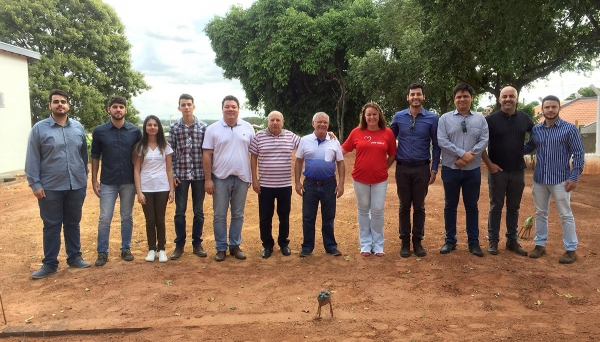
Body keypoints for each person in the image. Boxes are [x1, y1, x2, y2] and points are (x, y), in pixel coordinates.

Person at [25, 89, 90, 279]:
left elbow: (83, 154)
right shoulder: (39, 129)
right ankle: (50, 264)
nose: (60, 104)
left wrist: (84, 176)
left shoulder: (78, 128)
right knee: (52, 225)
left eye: (63, 101)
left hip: (76, 185)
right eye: (56, 102)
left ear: (68, 105)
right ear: (50, 106)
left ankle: (74, 257)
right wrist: (35, 184)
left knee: (73, 223)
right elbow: (32, 158)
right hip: (50, 187)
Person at [524, 95, 585, 264]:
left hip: (561, 180)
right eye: (547, 107)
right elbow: (529, 147)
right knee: (540, 213)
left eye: (553, 107)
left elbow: (578, 153)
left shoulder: (569, 129)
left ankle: (571, 250)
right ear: (542, 109)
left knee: (565, 214)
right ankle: (540, 245)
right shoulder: (537, 130)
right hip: (540, 180)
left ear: (559, 108)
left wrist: (574, 177)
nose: (550, 110)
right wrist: (508, 148)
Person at [437, 83, 489, 257]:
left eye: (466, 96)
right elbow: (442, 141)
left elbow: (484, 140)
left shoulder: (480, 119)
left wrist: (469, 156)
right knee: (450, 205)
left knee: (471, 206)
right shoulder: (444, 119)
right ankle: (450, 241)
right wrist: (461, 154)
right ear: (454, 99)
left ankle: (473, 243)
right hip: (450, 169)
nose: (462, 99)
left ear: (471, 98)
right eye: (458, 97)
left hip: (472, 170)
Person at [390, 83, 441, 258]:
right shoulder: (398, 117)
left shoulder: (432, 118)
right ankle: (404, 242)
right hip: (402, 168)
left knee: (419, 206)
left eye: (418, 94)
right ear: (408, 97)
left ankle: (417, 241)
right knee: (404, 206)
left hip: (422, 168)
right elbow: (388, 138)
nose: (415, 97)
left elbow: (437, 144)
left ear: (423, 97)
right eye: (412, 94)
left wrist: (434, 168)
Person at [202, 95, 255, 262]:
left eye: (233, 106)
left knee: (238, 214)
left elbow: (254, 153)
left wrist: (252, 177)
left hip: (241, 178)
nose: (230, 109)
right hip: (220, 178)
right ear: (222, 109)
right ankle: (220, 248)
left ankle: (234, 246)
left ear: (238, 109)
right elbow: (207, 154)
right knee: (219, 214)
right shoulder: (213, 129)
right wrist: (208, 179)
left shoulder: (248, 128)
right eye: (227, 106)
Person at [482, 86, 533, 256]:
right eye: (505, 96)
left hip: (518, 170)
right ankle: (493, 241)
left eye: (512, 96)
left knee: (514, 207)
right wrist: (489, 164)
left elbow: (537, 137)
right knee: (496, 206)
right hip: (497, 171)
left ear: (517, 99)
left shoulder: (525, 119)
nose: (508, 99)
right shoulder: (490, 120)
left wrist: (522, 150)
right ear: (499, 99)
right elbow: (480, 145)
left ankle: (512, 241)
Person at [91, 96, 142, 266]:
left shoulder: (135, 132)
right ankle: (102, 252)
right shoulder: (99, 131)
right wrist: (94, 180)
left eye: (121, 107)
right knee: (105, 217)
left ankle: (126, 248)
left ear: (125, 110)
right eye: (115, 107)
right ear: (109, 110)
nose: (118, 110)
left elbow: (140, 158)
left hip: (129, 181)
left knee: (127, 216)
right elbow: (95, 156)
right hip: (107, 181)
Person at [342, 103, 396, 257]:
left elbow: (392, 154)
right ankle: (365, 244)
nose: (372, 117)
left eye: (374, 114)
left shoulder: (388, 133)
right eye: (368, 115)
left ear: (379, 115)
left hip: (380, 179)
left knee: (378, 210)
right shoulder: (356, 132)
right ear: (364, 117)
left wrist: (383, 168)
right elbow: (342, 150)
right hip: (360, 178)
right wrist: (330, 139)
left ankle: (378, 245)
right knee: (363, 210)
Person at [249, 111, 300, 258]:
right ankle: (267, 245)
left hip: (284, 185)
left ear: (283, 122)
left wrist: (328, 135)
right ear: (268, 122)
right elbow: (253, 158)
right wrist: (255, 179)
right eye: (272, 120)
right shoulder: (259, 137)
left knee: (284, 216)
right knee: (265, 217)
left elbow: (308, 143)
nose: (275, 123)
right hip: (265, 185)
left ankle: (284, 243)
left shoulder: (290, 136)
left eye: (278, 120)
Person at [294, 112, 345, 257]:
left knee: (328, 218)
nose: (322, 124)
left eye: (325, 123)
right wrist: (297, 182)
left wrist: (340, 184)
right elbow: (298, 161)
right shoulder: (305, 140)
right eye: (319, 122)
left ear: (328, 125)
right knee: (308, 217)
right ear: (313, 123)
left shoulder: (334, 141)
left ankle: (331, 246)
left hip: (329, 184)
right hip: (309, 184)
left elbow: (340, 163)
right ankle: (307, 247)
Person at [168, 94, 208, 260]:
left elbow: (208, 153)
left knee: (198, 211)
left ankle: (197, 244)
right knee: (180, 211)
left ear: (194, 106)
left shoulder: (204, 127)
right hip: (182, 175)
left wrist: (209, 175)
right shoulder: (175, 128)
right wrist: (174, 174)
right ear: (179, 108)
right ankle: (179, 245)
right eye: (183, 105)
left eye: (189, 104)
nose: (186, 107)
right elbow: (170, 153)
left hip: (199, 175)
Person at [133, 115, 175, 263]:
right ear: (145, 127)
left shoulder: (165, 146)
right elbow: (137, 170)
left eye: (155, 125)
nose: (152, 127)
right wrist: (139, 191)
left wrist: (171, 190)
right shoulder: (140, 147)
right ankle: (151, 249)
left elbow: (169, 169)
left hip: (162, 186)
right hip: (146, 187)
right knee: (150, 219)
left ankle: (162, 249)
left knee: (160, 219)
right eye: (149, 125)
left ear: (159, 128)